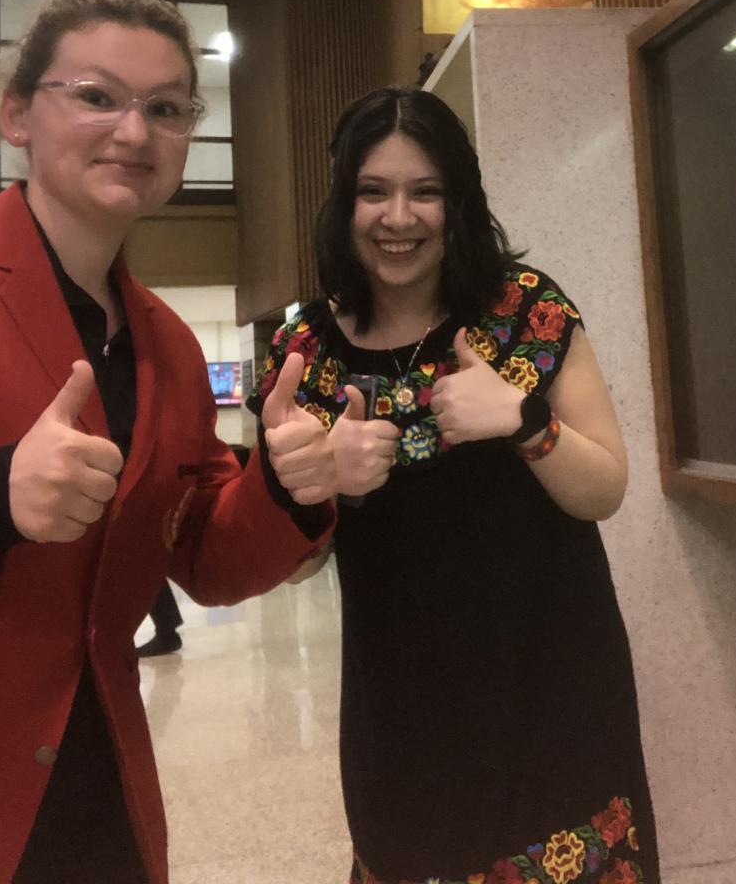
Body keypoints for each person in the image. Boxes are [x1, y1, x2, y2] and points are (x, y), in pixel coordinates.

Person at [0, 0, 337, 884]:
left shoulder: (168, 346)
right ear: (16, 114)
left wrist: (283, 486)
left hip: (101, 790)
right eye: (96, 96)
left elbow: (203, 557)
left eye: (165, 108)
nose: (133, 131)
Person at [254, 87, 660, 884]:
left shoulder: (524, 310)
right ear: (343, 203)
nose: (398, 217)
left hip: (553, 687)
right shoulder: (307, 351)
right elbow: (293, 566)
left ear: (459, 201)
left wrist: (524, 419)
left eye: (426, 191)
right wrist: (309, 486)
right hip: (399, 707)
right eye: (374, 191)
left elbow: (606, 489)